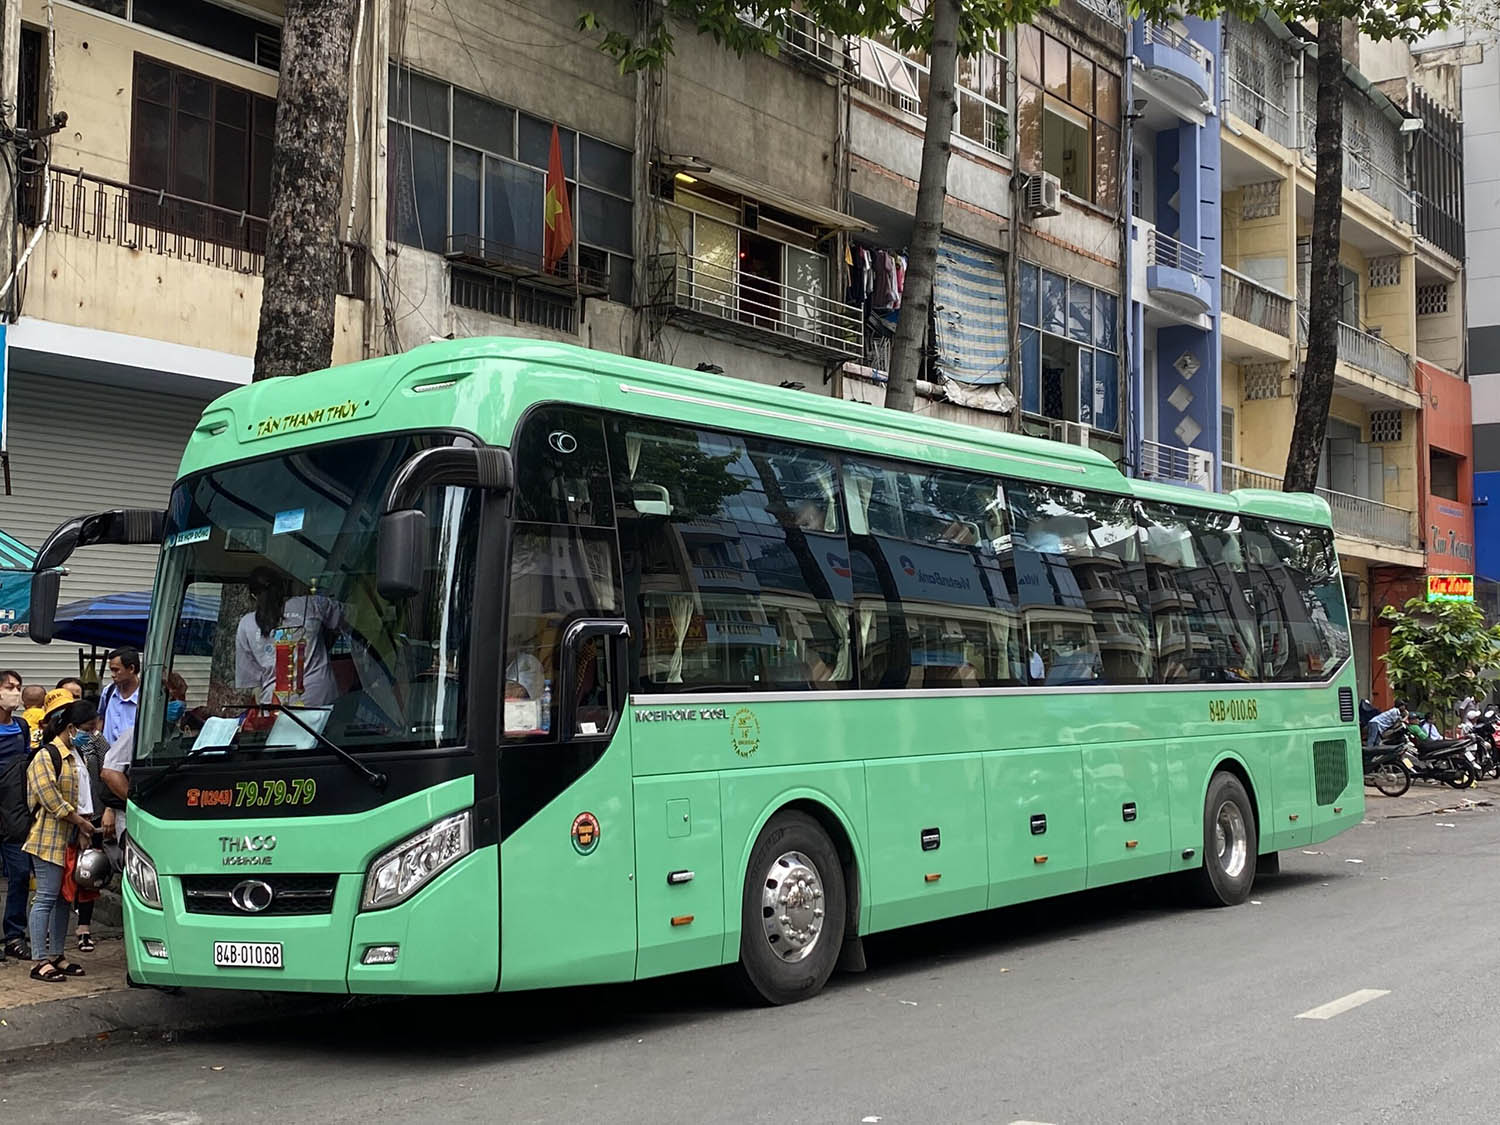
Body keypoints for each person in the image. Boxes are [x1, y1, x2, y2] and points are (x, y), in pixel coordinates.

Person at [24, 694, 96, 982]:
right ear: (71, 728)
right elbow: (50, 799)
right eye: (87, 729)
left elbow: (83, 797)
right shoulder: (46, 756)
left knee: (64, 899)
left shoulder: (76, 756)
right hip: (47, 839)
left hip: (71, 839)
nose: (91, 735)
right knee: (45, 898)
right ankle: (39, 960)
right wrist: (79, 822)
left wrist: (82, 829)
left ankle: (56, 954)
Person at [235, 567, 345, 707]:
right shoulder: (310, 604)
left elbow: (252, 680)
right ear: (283, 588)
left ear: (253, 596)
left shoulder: (246, 624)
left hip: (276, 708)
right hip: (320, 704)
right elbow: (355, 617)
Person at [0, 669, 30, 962]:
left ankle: (14, 935)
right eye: (10, 687)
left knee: (20, 874)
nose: (16, 692)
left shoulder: (21, 728)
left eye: (18, 687)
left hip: (15, 815)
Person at [99, 649, 141, 746]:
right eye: (111, 670)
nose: (113, 675)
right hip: (108, 758)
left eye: (116, 670)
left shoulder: (146, 697)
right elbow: (100, 719)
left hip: (133, 758)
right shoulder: (108, 692)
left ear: (131, 669)